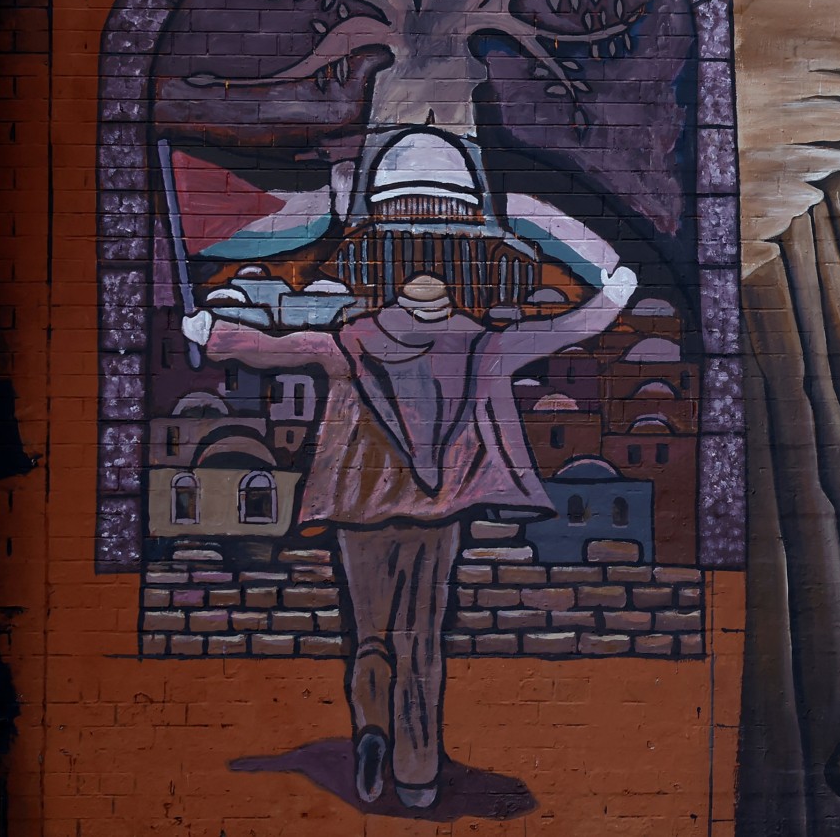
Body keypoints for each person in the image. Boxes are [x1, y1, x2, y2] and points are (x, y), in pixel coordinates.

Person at [183, 266, 640, 808]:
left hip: (360, 514)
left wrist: (212, 333)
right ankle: (418, 774)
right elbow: (562, 330)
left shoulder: (354, 340)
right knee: (419, 642)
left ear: (399, 303)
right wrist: (615, 294)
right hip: (436, 516)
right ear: (444, 305)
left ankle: (372, 727)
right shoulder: (481, 345)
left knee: (370, 634)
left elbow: (281, 348)